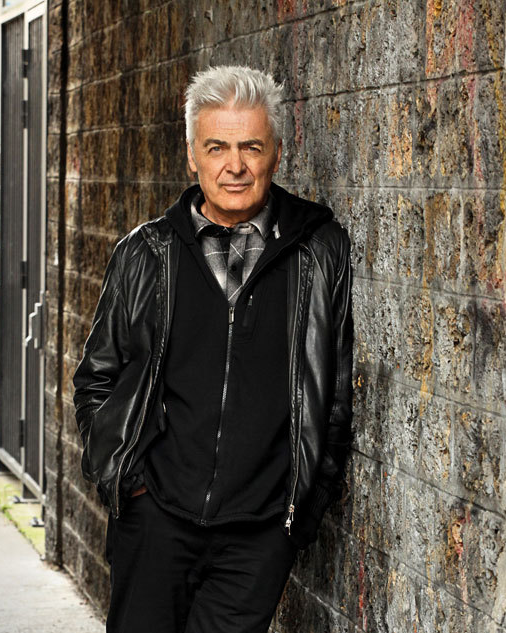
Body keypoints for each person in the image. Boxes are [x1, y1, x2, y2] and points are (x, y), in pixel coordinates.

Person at [72, 65, 353, 633]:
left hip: (259, 535)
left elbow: (336, 393)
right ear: (192, 155)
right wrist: (123, 481)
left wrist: (303, 508)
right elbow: (96, 377)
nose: (235, 165)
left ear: (277, 153)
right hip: (155, 519)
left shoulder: (318, 251)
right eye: (217, 147)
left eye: (252, 146)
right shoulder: (146, 253)